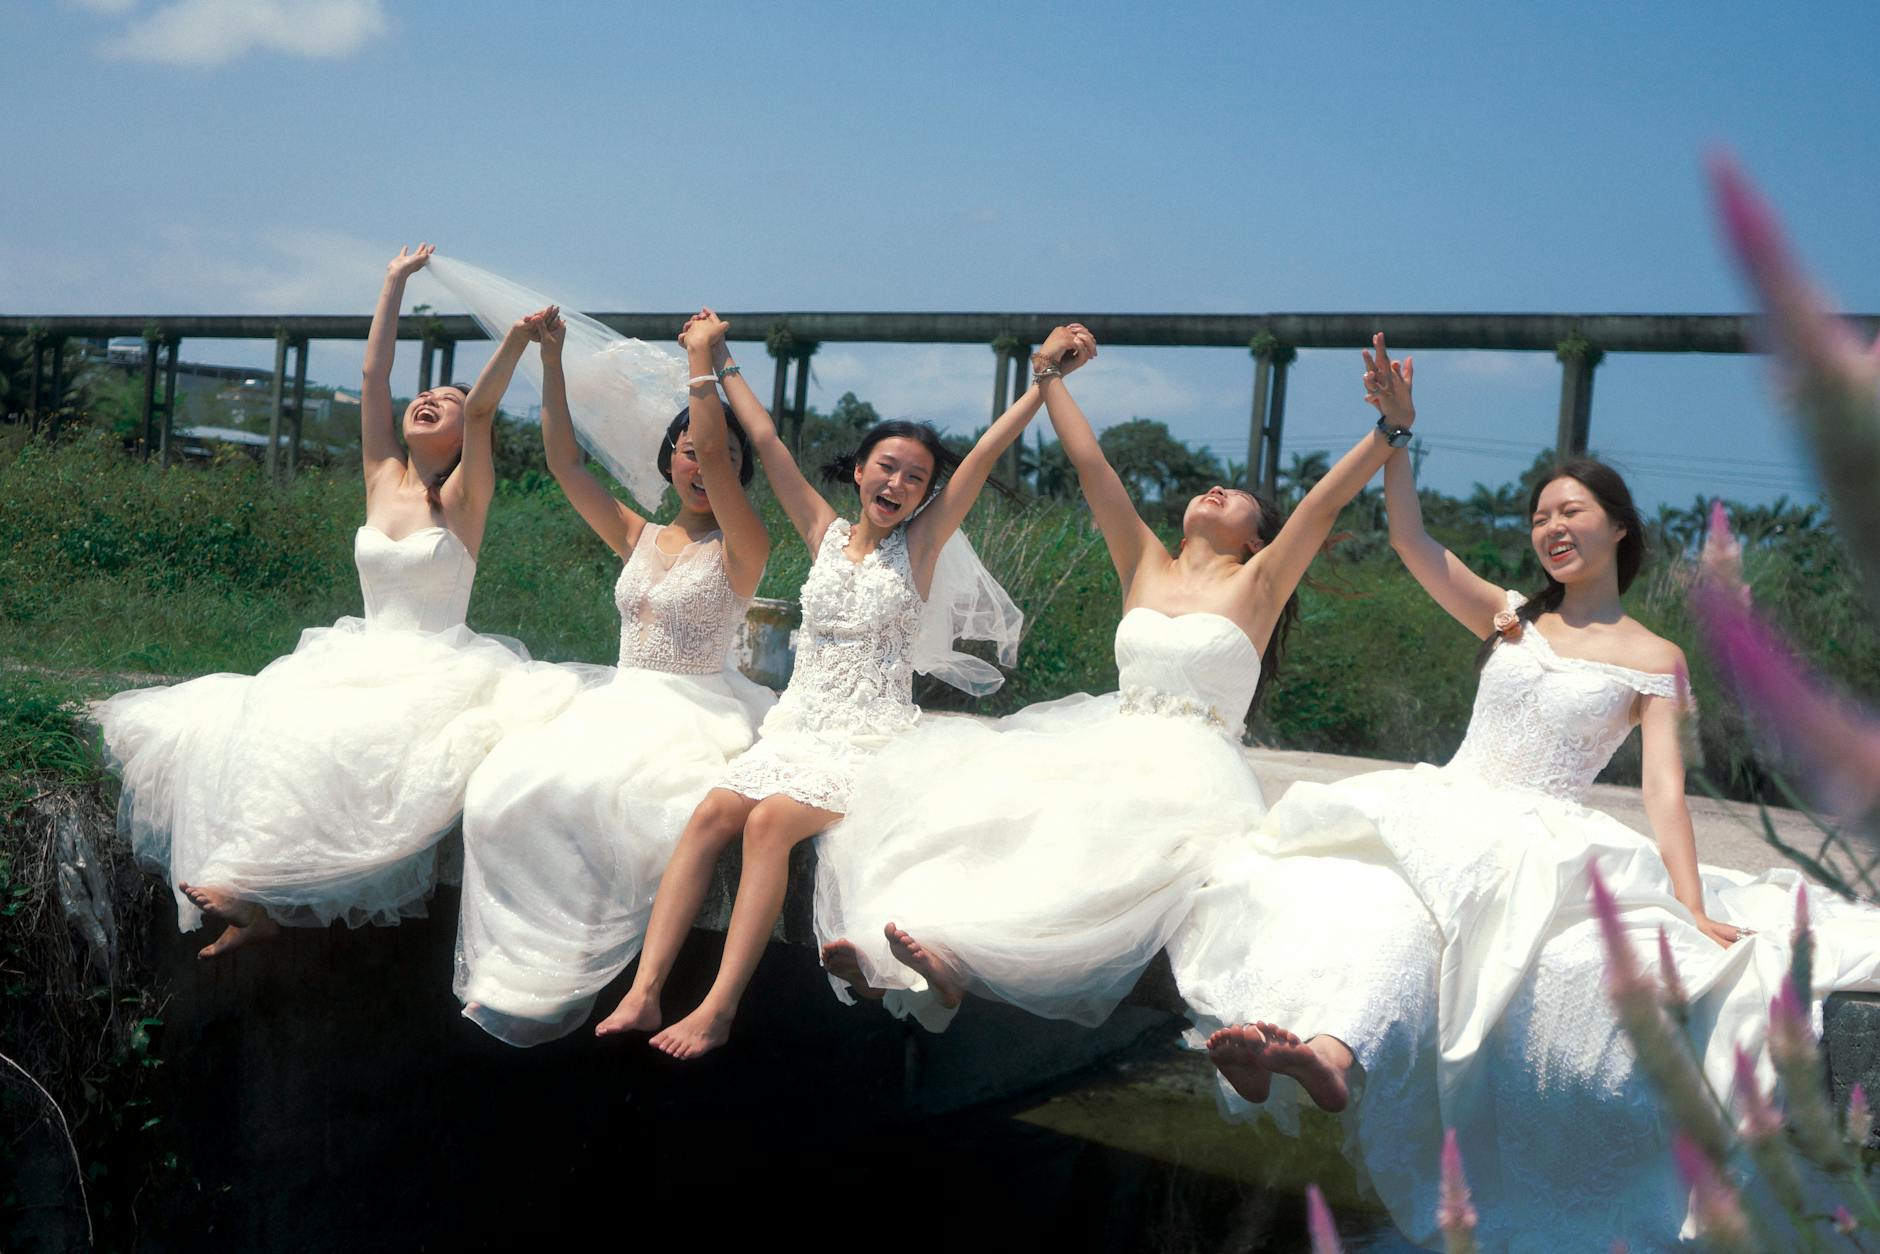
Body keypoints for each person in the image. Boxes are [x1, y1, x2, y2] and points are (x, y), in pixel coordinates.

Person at [99, 245, 580, 956]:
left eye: (443, 402)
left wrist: (513, 341)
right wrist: (392, 282)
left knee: (343, 742)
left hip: (437, 664)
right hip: (356, 651)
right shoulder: (380, 474)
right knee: (268, 723)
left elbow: (481, 414)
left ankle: (250, 889)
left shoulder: (465, 498)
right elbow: (373, 374)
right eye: (426, 396)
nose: (429, 401)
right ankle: (256, 902)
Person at [597, 334, 1033, 1059]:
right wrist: (717, 359)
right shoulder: (822, 532)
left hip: (868, 738)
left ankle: (718, 1007)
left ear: (926, 495)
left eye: (915, 478)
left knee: (768, 824)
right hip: (797, 726)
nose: (897, 484)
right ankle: (644, 992)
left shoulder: (917, 549)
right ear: (859, 471)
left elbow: (982, 458)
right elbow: (764, 438)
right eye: (886, 467)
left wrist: (1042, 380)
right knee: (711, 815)